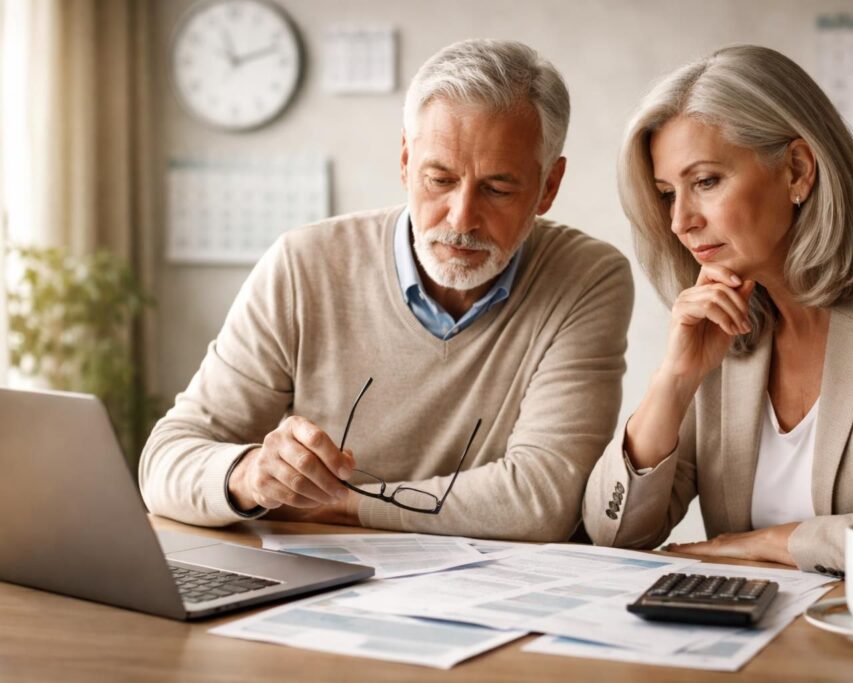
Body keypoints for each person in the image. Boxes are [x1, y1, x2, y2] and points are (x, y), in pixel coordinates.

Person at [140, 39, 633, 541]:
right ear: (404, 161)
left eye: (497, 190)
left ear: (549, 185)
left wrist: (347, 505)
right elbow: (165, 461)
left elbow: (543, 499)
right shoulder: (304, 264)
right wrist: (248, 475)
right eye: (439, 179)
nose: (462, 219)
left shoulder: (587, 278)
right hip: (322, 592)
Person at [583, 45, 853, 588]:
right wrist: (674, 380)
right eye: (667, 194)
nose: (680, 222)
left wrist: (766, 544)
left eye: (706, 182)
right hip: (755, 643)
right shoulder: (721, 317)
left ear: (797, 169)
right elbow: (613, 534)